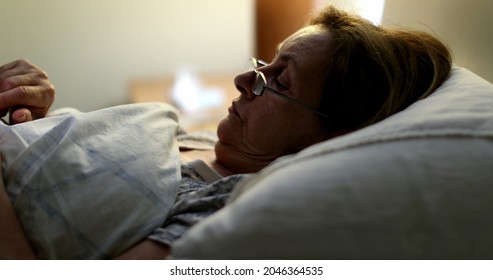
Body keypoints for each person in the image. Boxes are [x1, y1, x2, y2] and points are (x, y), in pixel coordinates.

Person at [0, 5, 452, 259]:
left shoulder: (228, 206)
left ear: (330, 134)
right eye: (265, 65)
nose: (242, 80)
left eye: (280, 81)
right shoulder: (199, 137)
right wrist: (38, 122)